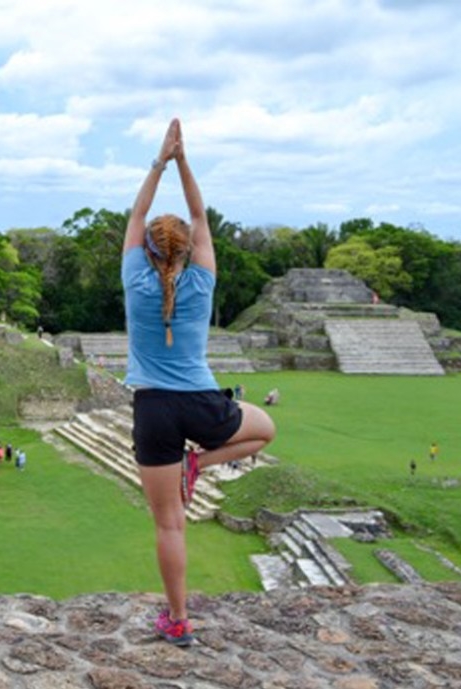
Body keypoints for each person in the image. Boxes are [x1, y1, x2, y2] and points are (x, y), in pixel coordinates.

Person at [120, 118, 276, 647]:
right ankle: (200, 464)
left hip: (154, 411)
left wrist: (159, 161)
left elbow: (138, 213)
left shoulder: (135, 280)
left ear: (147, 251)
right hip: (204, 404)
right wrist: (184, 160)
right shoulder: (203, 279)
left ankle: (178, 619)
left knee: (169, 525)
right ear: (186, 252)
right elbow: (200, 215)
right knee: (265, 428)